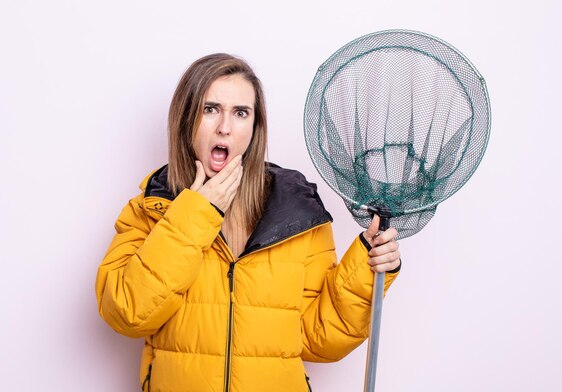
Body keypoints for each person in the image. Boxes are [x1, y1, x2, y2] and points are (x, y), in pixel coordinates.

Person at [95, 53, 401, 392]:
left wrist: (366, 267)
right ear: (185, 119)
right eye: (210, 109)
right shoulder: (151, 207)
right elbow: (126, 312)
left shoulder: (299, 212)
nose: (225, 126)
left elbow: (319, 339)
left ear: (255, 128)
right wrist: (196, 213)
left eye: (241, 113)